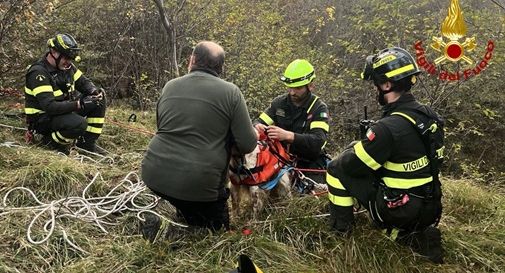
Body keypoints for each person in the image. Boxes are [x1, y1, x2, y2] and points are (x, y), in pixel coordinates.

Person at [326, 47, 444, 263]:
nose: (375, 89)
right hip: (431, 205)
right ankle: (412, 236)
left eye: (376, 84)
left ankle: (341, 231)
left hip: (399, 210)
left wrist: (354, 149)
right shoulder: (429, 116)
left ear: (386, 84)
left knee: (335, 168)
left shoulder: (386, 128)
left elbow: (352, 167)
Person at [141, 41, 257, 241]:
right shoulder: (231, 93)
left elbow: (161, 126)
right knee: (216, 237)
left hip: (154, 177)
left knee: (184, 209)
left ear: (192, 60)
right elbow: (248, 144)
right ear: (221, 68)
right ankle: (178, 230)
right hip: (202, 189)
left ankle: (166, 222)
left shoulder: (170, 86)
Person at [254, 59, 330, 191]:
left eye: (298, 88)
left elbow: (318, 141)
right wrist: (257, 127)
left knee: (310, 199)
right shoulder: (279, 103)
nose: (292, 92)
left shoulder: (319, 108)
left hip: (309, 164)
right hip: (279, 161)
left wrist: (288, 136)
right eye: (290, 87)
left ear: (311, 85)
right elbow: (257, 122)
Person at [24, 33, 106, 154]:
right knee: (79, 124)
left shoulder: (67, 67)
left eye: (70, 59)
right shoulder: (38, 72)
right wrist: (79, 104)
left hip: (61, 111)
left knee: (99, 99)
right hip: (42, 119)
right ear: (53, 52)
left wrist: (94, 91)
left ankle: (86, 144)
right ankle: (49, 142)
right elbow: (50, 107)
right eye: (66, 58)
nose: (68, 62)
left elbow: (84, 83)